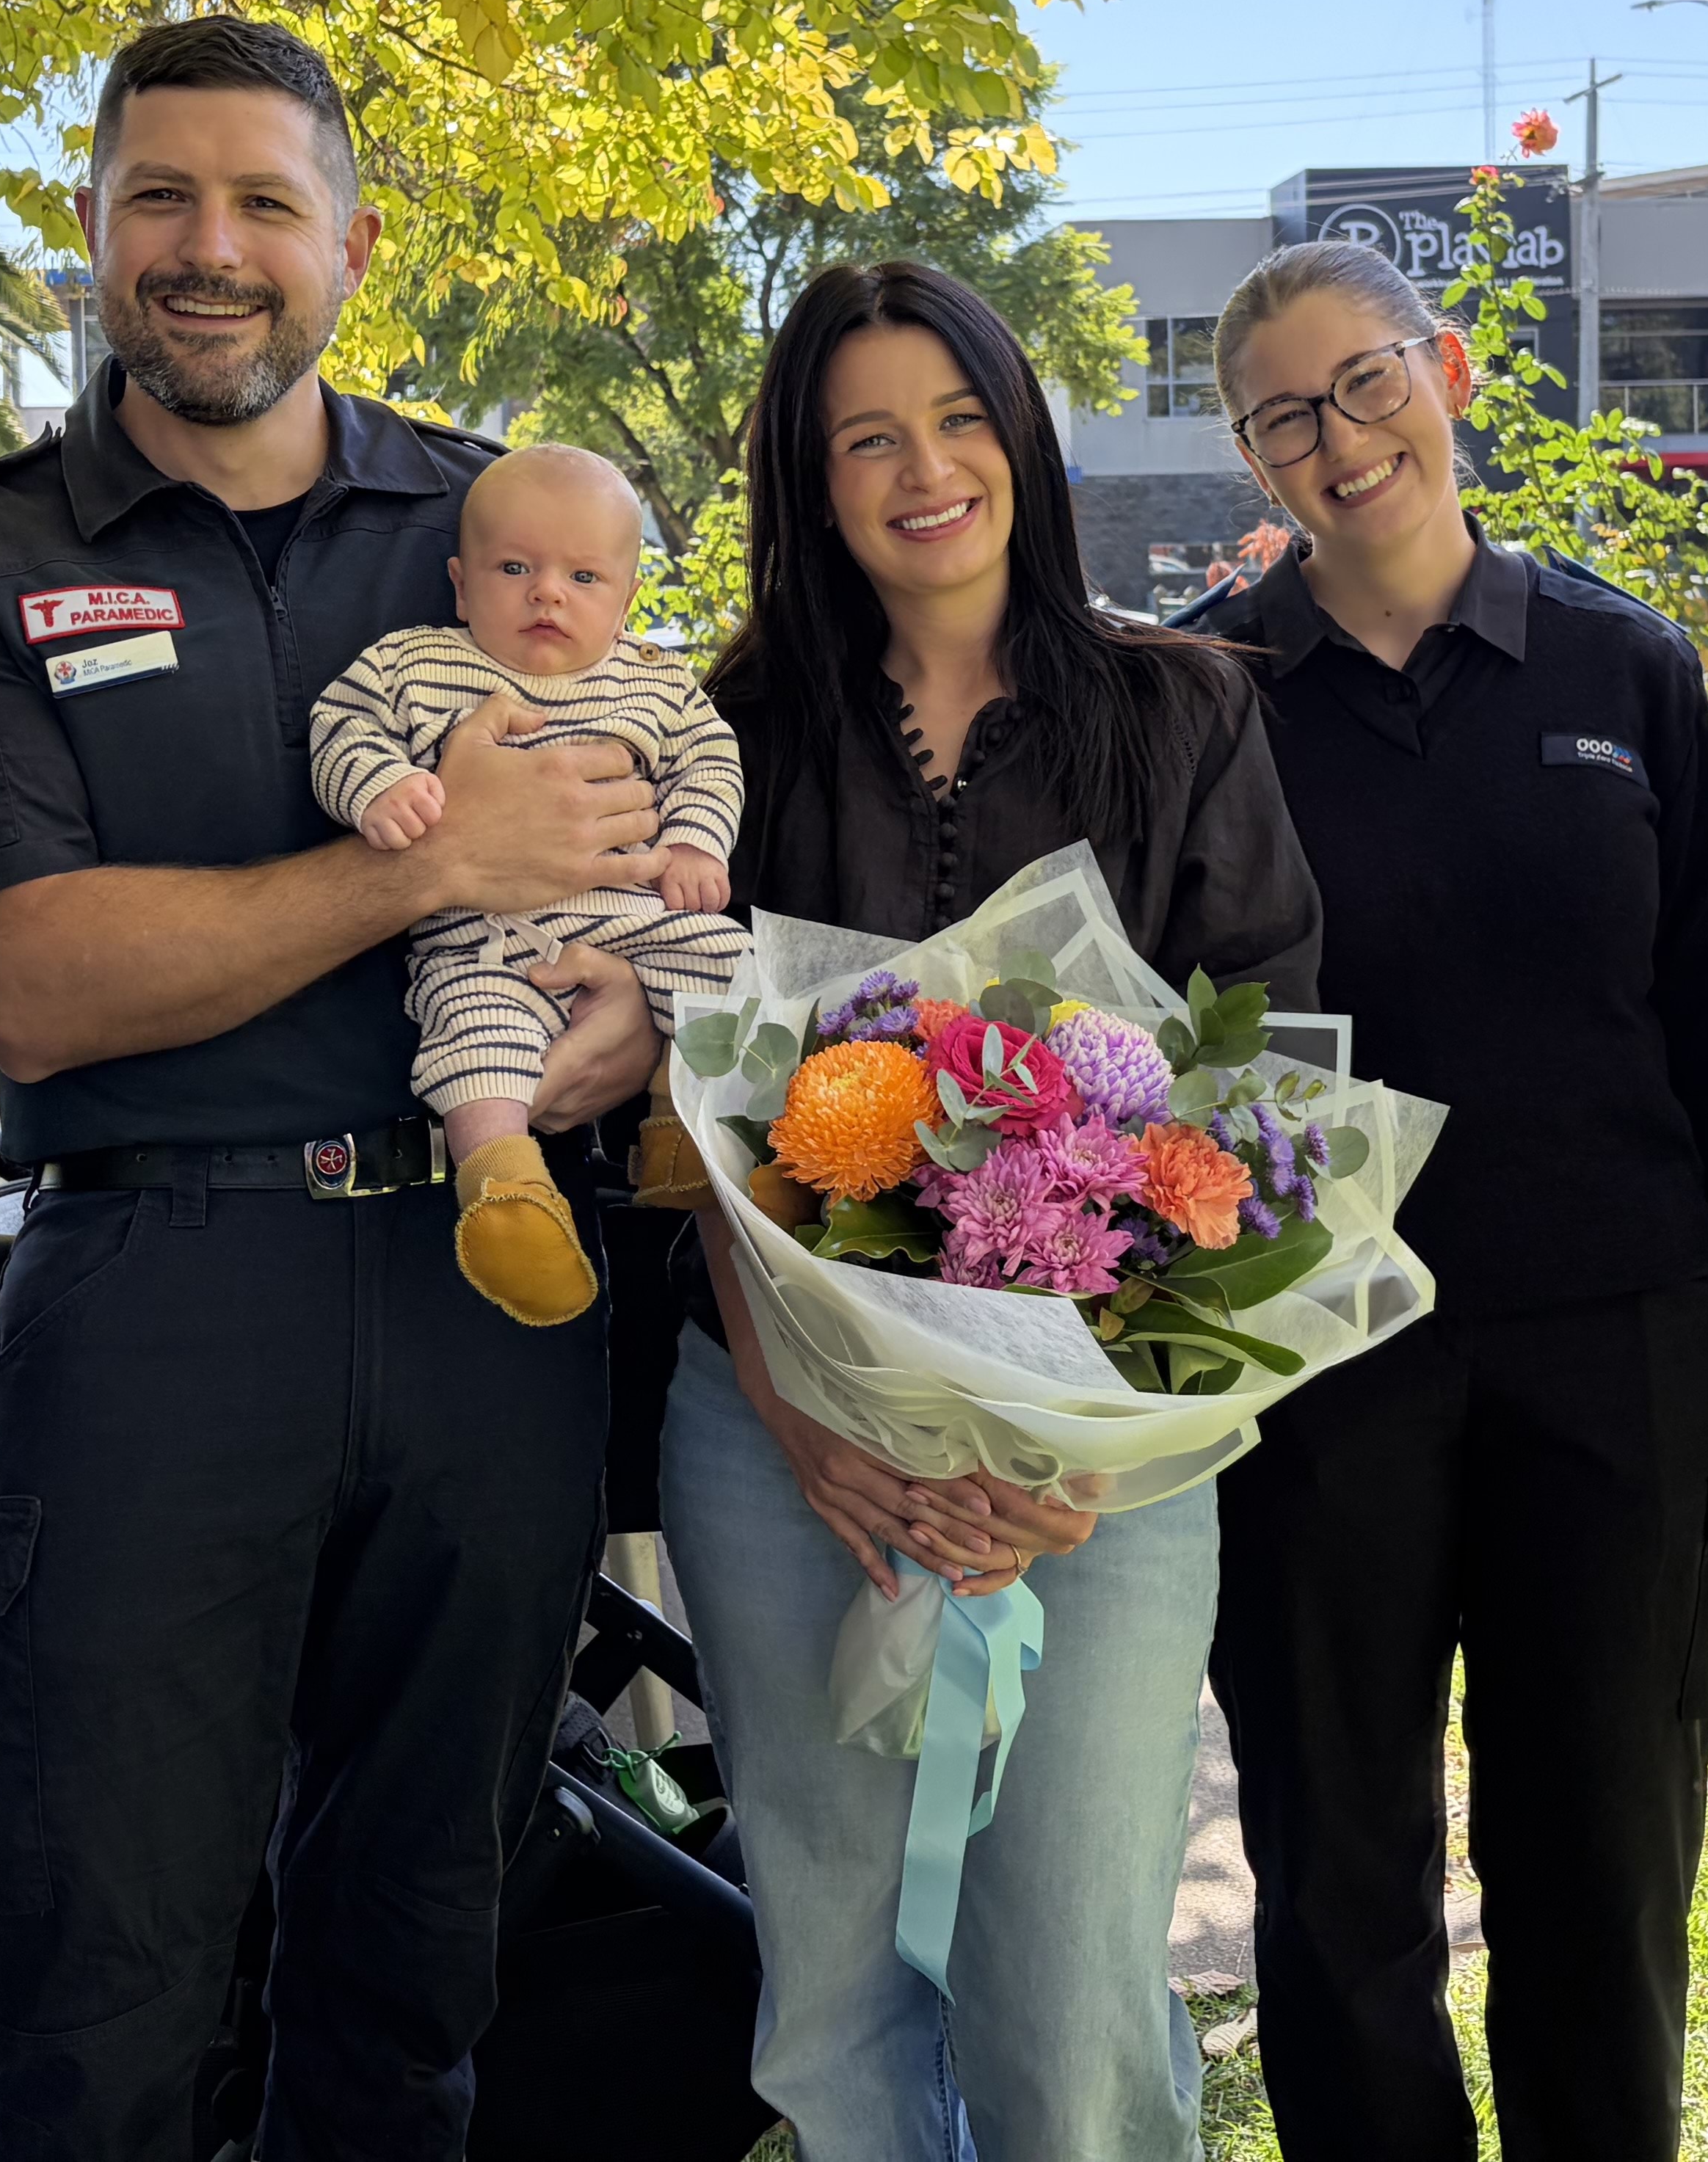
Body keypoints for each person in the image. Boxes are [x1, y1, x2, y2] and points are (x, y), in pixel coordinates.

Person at [0, 16, 661, 2152]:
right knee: (88, 1980)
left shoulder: (491, 526)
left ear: (352, 243)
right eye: (160, 199)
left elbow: (624, 834)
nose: (208, 249)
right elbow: (33, 980)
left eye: (262, 204)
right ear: (93, 225)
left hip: (479, 1291)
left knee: (413, 1975)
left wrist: (627, 1007)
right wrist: (410, 872)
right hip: (152, 1291)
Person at [648, 259, 1318, 2162]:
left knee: (1077, 1990)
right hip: (784, 1443)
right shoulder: (729, 732)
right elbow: (691, 1109)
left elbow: (1257, 1102)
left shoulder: (1187, 710)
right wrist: (804, 1418)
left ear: (1022, 432)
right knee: (835, 1979)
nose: (922, 468)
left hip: (1104, 1456)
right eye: (866, 434)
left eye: (956, 417)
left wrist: (1084, 1448)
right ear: (808, 474)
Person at [1185, 240, 1708, 2162]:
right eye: (1285, 415)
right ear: (1250, 454)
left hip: (1610, 1354)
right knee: (1340, 1884)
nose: (1340, 439)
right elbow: (1167, 1058)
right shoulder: (1209, 702)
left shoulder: (1620, 665)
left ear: (1443, 366)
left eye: (1365, 382)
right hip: (1313, 1377)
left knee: (1600, 1874)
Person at [310, 439, 748, 1324]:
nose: (547, 591)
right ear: (462, 583)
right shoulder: (416, 664)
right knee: (473, 1035)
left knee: (735, 967)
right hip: (483, 937)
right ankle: (503, 1187)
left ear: (629, 602)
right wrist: (381, 789)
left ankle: (685, 1131)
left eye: (584, 577)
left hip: (637, 917)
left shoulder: (657, 685)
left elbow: (711, 759)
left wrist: (700, 842)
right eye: (515, 567)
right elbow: (342, 726)